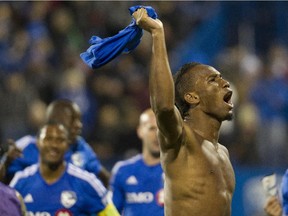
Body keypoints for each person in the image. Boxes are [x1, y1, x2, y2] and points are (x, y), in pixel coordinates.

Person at [132, 8, 235, 216]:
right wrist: (158, 35)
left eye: (222, 78)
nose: (225, 83)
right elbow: (162, 106)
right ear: (192, 97)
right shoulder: (180, 140)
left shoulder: (222, 152)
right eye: (213, 80)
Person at [10, 122, 119, 216]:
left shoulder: (86, 182)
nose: (54, 145)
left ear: (67, 145)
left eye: (60, 140)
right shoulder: (20, 182)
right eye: (48, 139)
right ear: (38, 143)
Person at [2, 99, 110, 187]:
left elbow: (103, 177)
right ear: (56, 120)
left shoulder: (80, 146)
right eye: (73, 119)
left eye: (79, 120)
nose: (79, 125)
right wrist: (6, 163)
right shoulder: (25, 146)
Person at [110, 108, 164, 216]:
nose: (157, 135)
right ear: (140, 131)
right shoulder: (123, 171)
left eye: (162, 129)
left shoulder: (177, 171)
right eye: (151, 128)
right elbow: (111, 212)